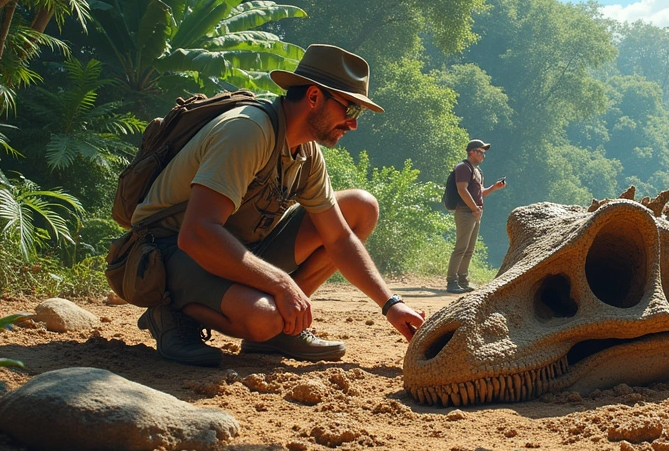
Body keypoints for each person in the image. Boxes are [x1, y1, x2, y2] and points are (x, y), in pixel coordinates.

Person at [133, 44, 425, 367]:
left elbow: (339, 239)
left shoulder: (307, 154)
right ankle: (171, 313)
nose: (353, 123)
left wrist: (390, 304)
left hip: (235, 248)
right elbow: (197, 233)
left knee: (361, 208)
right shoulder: (248, 132)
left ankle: (283, 330)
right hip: (168, 251)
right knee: (265, 317)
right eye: (350, 110)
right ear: (314, 97)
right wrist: (282, 284)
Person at [447, 139, 506, 294]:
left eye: (484, 153)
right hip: (466, 212)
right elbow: (462, 190)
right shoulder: (463, 167)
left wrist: (494, 187)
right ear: (471, 152)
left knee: (469, 249)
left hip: (474, 212)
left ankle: (462, 280)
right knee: (461, 247)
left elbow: (481, 193)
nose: (483, 156)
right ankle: (452, 281)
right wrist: (474, 209)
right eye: (480, 152)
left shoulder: (477, 171)